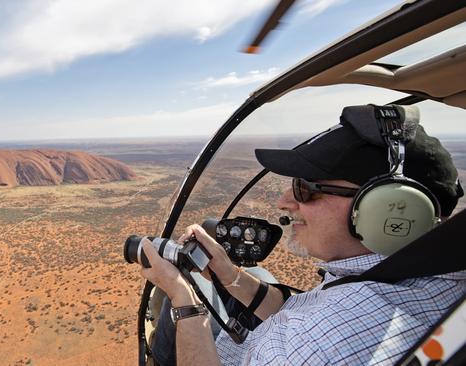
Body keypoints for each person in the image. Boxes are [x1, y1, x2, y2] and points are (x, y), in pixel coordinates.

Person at [140, 108, 465, 365]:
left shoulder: (320, 342)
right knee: (249, 275)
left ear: (385, 209)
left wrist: (184, 300)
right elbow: (300, 307)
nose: (284, 201)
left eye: (305, 188)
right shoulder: (424, 274)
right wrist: (229, 274)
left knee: (181, 296)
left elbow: (315, 334)